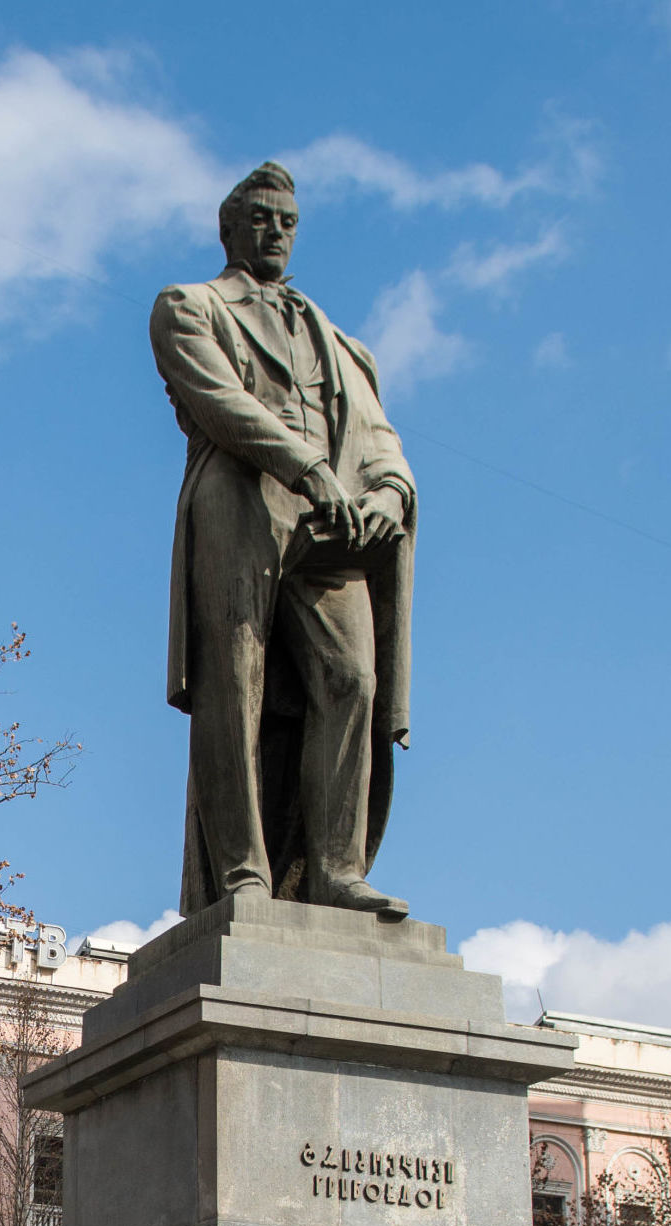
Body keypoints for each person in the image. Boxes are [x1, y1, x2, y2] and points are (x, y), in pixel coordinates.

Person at [152, 160, 417, 922]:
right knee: (236, 684)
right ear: (230, 228)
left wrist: (388, 492)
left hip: (333, 524)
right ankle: (243, 873)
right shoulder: (189, 306)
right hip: (240, 500)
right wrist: (305, 465)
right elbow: (220, 401)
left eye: (289, 221)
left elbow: (376, 435)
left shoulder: (333, 336)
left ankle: (335, 870)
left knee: (352, 682)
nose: (276, 232)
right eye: (262, 218)